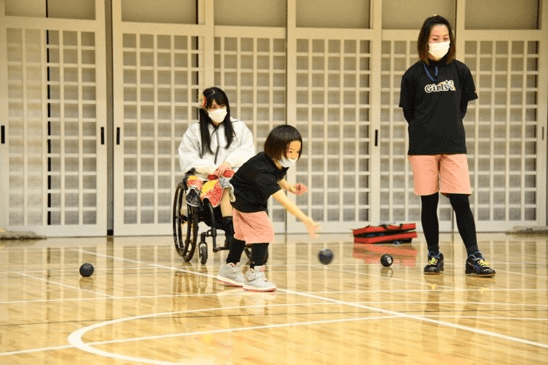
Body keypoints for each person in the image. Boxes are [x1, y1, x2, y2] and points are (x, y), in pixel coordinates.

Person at [399, 15, 495, 277]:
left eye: (445, 38)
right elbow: (409, 112)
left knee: (461, 201)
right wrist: (426, 130)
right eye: (435, 39)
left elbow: (461, 107)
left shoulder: (461, 71)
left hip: (453, 145)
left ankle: (474, 256)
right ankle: (433, 254)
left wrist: (446, 127)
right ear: (425, 41)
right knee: (428, 203)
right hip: (422, 147)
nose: (441, 43)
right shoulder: (412, 75)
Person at [216, 125, 320, 292]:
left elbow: (277, 177)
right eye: (290, 151)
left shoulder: (275, 161)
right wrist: (306, 219)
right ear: (276, 148)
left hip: (238, 196)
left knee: (241, 233)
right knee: (265, 232)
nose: (293, 156)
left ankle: (230, 268)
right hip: (248, 201)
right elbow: (284, 201)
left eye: (297, 151)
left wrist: (290, 187)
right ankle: (254, 274)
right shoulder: (263, 171)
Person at [178, 87, 255, 248]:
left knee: (231, 184)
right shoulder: (195, 130)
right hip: (206, 177)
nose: (218, 110)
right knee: (221, 185)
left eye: (221, 106)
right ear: (205, 109)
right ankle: (230, 232)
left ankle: (234, 232)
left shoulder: (238, 127)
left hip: (232, 175)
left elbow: (247, 150)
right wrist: (210, 168)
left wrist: (228, 163)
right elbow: (188, 155)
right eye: (213, 107)